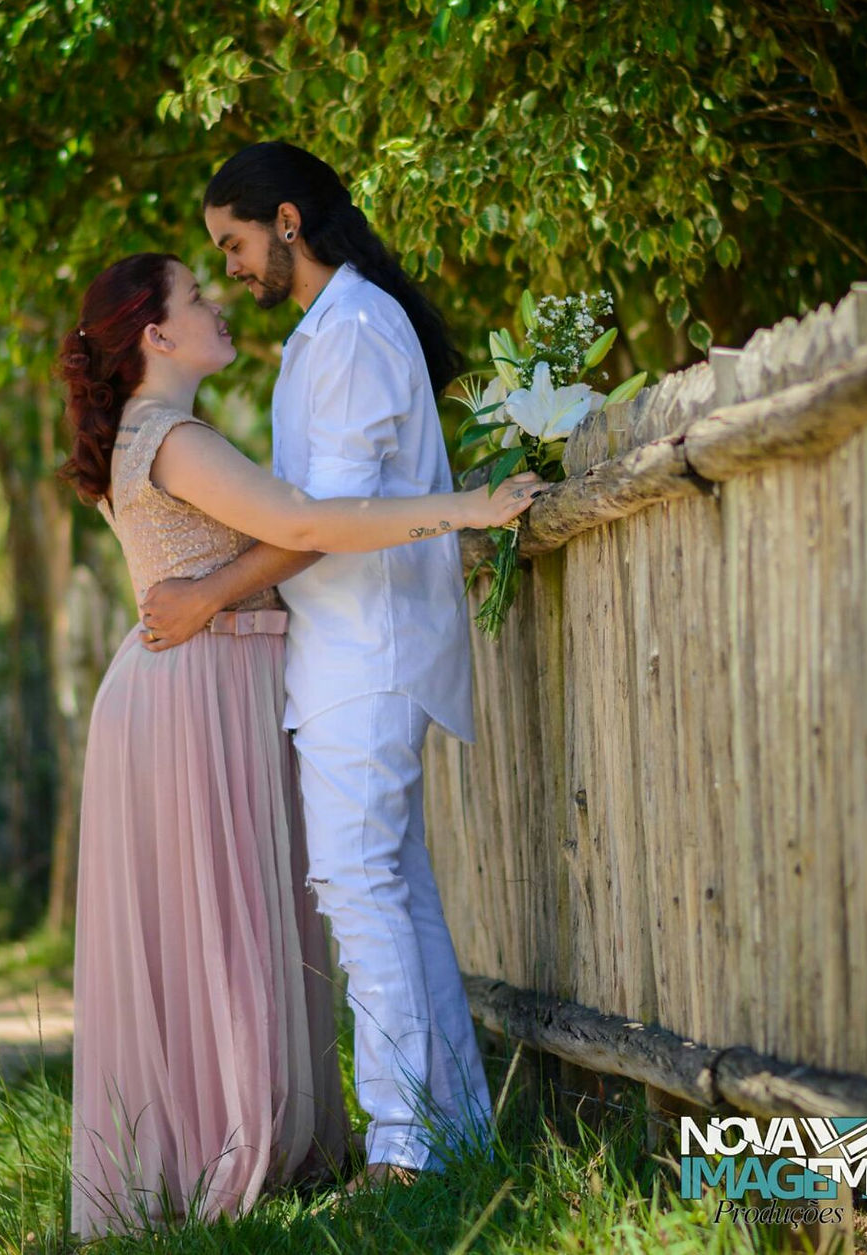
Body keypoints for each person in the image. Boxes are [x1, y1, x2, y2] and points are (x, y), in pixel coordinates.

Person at [61, 250, 541, 1237]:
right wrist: (461, 508)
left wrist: (212, 591)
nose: (218, 303)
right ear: (156, 334)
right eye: (197, 296)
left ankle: (216, 1145)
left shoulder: (151, 432)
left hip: (195, 680)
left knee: (219, 922)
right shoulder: (173, 438)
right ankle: (233, 1146)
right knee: (225, 922)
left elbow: (281, 537)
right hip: (199, 689)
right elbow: (305, 522)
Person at [139, 143, 507, 1187]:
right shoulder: (328, 329)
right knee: (397, 891)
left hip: (366, 644)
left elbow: (323, 523)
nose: (230, 268)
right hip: (350, 645)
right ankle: (455, 1135)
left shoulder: (349, 330)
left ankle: (403, 1148)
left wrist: (209, 592)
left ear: (288, 222)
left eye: (234, 242)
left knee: (358, 886)